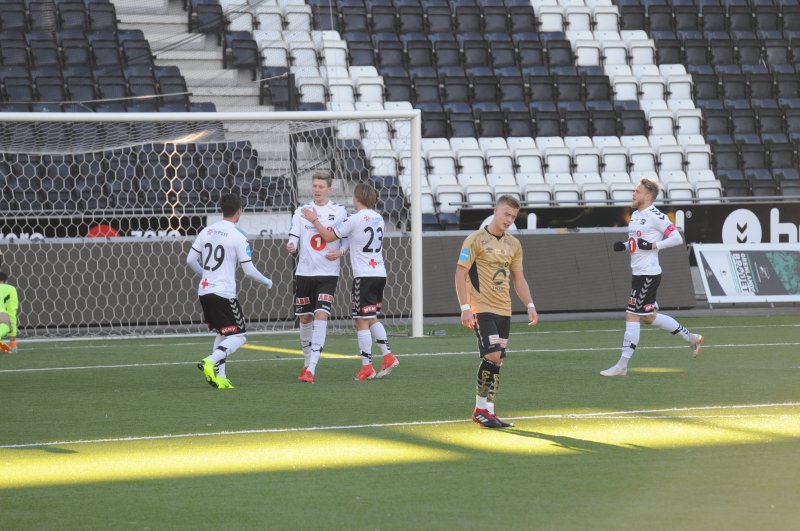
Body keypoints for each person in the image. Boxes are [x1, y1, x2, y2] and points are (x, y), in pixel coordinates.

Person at [601, 177, 703, 377]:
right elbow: (638, 240)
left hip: (647, 274)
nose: (634, 194)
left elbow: (676, 238)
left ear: (648, 196)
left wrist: (655, 245)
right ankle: (691, 338)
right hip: (640, 273)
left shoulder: (656, 215)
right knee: (648, 317)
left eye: (637, 191)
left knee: (632, 315)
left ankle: (622, 365)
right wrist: (624, 245)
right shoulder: (636, 215)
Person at [454, 195, 538, 429]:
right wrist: (465, 308)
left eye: (513, 216)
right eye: (506, 214)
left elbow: (519, 279)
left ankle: (489, 410)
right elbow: (460, 273)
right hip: (481, 309)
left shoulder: (514, 244)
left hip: (504, 310)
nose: (509, 220)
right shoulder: (475, 240)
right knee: (492, 355)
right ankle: (480, 409)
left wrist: (530, 305)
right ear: (495, 211)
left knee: (498, 361)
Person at [301, 182, 399, 381]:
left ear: (357, 199)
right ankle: (387, 355)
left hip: (363, 275)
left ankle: (367, 366)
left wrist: (314, 220)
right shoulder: (378, 218)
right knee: (371, 317)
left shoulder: (354, 219)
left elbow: (328, 236)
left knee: (360, 320)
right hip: (379, 273)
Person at [186, 194, 273, 389]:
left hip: (205, 291)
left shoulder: (206, 231)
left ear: (221, 210)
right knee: (239, 336)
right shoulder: (237, 236)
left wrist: (204, 274)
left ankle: (221, 376)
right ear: (239, 212)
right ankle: (210, 360)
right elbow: (249, 270)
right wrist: (267, 281)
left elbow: (190, 260)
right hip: (223, 293)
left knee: (223, 332)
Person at [287, 172, 349, 384]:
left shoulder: (339, 211)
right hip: (304, 272)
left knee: (321, 315)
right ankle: (306, 362)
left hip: (328, 273)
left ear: (329, 189)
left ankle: (311, 368)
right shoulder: (301, 211)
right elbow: (294, 234)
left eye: (321, 186)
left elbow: (347, 237)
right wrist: (292, 245)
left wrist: (341, 252)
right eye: (314, 186)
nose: (317, 189)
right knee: (305, 318)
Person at [0, 272, 19, 353]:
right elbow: (12, 311)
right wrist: (13, 344)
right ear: (6, 281)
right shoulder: (10, 288)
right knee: (8, 326)